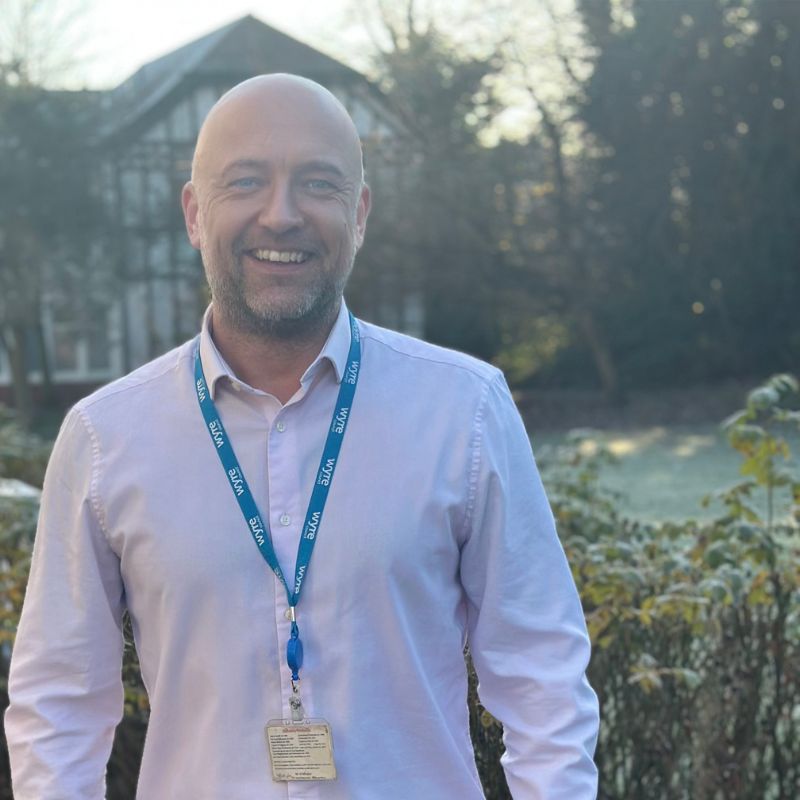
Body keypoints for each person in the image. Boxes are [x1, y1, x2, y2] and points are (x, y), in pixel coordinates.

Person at [5, 73, 599, 799]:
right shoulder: (104, 438)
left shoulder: (465, 411)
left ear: (360, 213)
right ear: (195, 213)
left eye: (318, 183)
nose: (281, 215)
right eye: (245, 181)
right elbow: (57, 704)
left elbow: (544, 675)